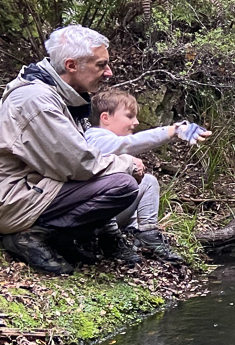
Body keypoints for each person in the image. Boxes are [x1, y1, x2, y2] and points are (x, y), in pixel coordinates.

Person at [0, 25, 146, 275]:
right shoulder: (37, 100)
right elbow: (79, 164)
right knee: (122, 184)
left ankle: (64, 239)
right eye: (101, 65)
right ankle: (33, 237)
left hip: (18, 193)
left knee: (113, 178)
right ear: (71, 65)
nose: (109, 72)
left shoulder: (46, 92)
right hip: (11, 201)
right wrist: (127, 163)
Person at [85, 89, 211, 263]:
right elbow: (128, 144)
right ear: (105, 118)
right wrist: (173, 130)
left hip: (105, 215)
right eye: (129, 116)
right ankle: (110, 238)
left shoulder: (110, 142)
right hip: (91, 220)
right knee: (122, 178)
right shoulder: (94, 137)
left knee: (148, 182)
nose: (136, 122)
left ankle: (147, 234)